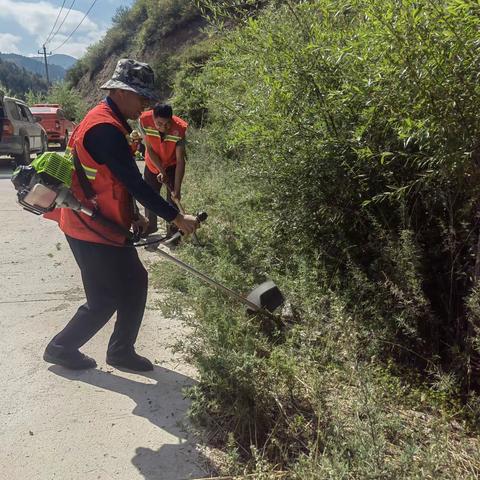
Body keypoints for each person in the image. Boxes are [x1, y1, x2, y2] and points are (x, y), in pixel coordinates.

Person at [42, 59, 198, 372]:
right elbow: (135, 182)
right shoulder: (104, 129)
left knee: (136, 281)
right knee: (104, 299)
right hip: (88, 225)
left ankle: (121, 351)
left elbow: (114, 179)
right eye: (141, 96)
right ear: (119, 91)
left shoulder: (111, 123)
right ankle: (60, 348)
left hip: (104, 224)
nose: (146, 103)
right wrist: (177, 217)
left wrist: (134, 215)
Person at [139, 104, 188, 236]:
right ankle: (150, 226)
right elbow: (149, 149)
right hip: (152, 164)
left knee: (173, 199)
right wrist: (161, 170)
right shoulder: (144, 120)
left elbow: (180, 160)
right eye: (159, 123)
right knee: (150, 195)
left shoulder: (180, 128)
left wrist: (177, 188)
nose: (163, 128)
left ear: (172, 119)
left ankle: (172, 232)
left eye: (167, 124)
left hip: (171, 165)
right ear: (153, 118)